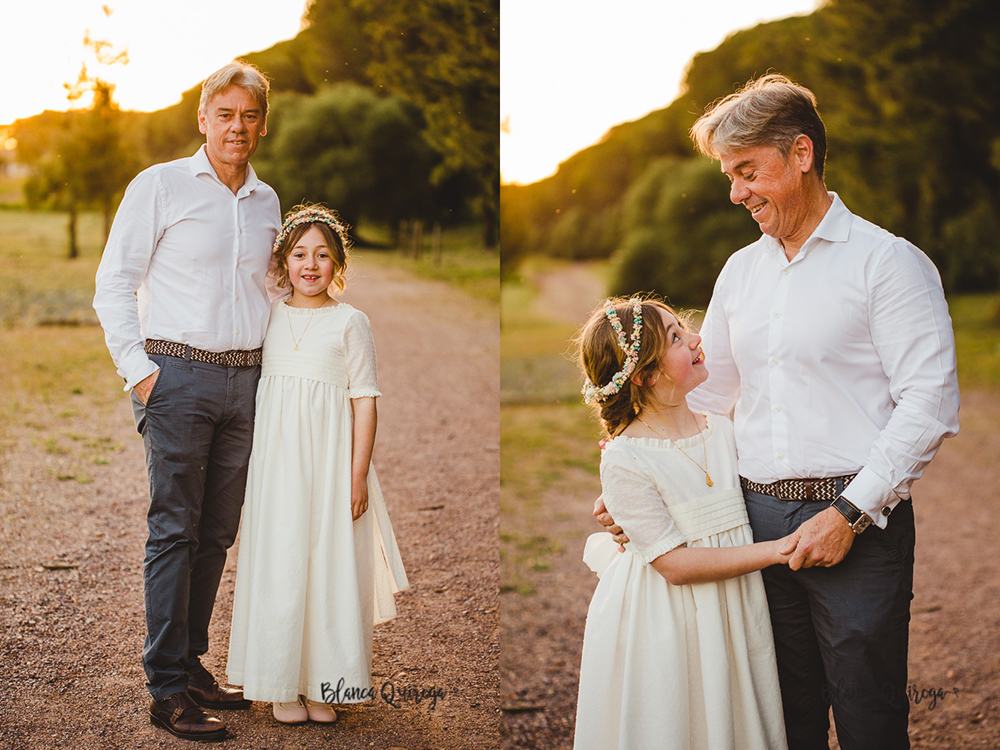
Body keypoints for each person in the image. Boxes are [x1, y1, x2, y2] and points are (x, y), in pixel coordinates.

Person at [597, 74, 960, 750]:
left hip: (858, 522)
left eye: (746, 171)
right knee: (774, 717)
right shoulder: (739, 271)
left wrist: (849, 513)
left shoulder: (888, 264)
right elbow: (706, 395)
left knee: (868, 718)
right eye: (729, 176)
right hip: (749, 521)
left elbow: (930, 401)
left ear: (800, 154)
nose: (735, 193)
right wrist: (637, 476)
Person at [93, 61, 280, 742]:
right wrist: (139, 373)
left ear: (262, 124)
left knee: (216, 532)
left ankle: (193, 666)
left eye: (249, 116)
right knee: (175, 529)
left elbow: (273, 292)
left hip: (247, 382)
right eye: (225, 114)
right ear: (202, 118)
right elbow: (113, 282)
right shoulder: (160, 185)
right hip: (175, 377)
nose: (238, 127)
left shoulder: (267, 202)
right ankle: (167, 690)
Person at [573, 296, 789, 750]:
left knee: (735, 711)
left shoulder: (726, 429)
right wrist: (778, 550)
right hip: (668, 617)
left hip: (735, 603)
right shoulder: (625, 457)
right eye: (676, 336)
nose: (695, 338)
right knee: (682, 716)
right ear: (647, 375)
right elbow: (673, 565)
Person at [226, 205, 409, 724]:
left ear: (338, 264)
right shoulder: (268, 315)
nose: (311, 264)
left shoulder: (352, 323)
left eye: (323, 255)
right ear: (283, 263)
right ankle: (281, 681)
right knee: (281, 560)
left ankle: (324, 685)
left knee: (329, 565)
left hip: (331, 463)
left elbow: (365, 399)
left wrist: (356, 476)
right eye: (300, 254)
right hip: (279, 466)